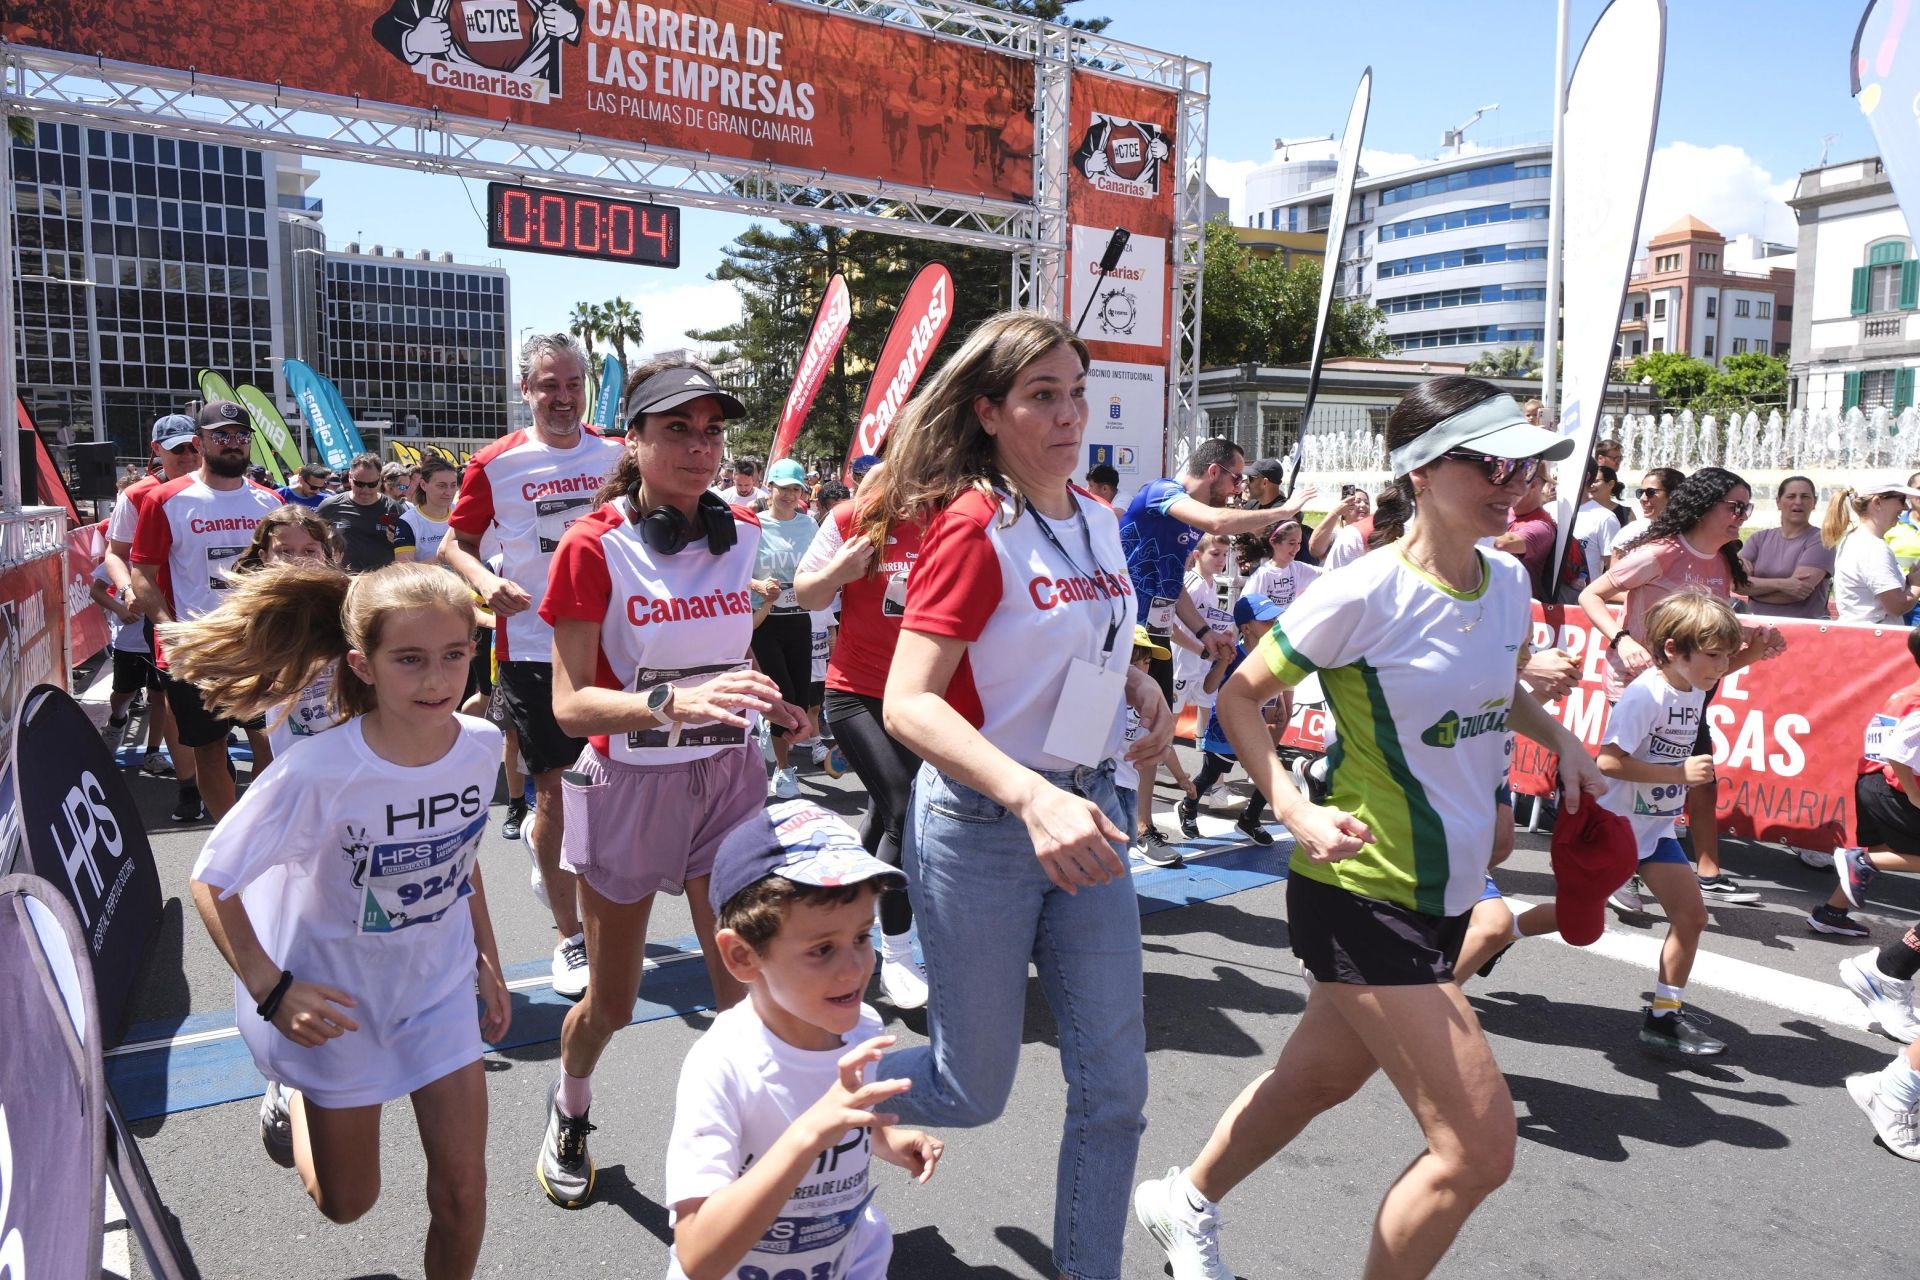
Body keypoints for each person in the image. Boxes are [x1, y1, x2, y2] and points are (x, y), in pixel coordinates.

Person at [1135, 378, 1604, 1280]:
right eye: (1491, 461)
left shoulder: (1505, 580)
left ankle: (1182, 1200)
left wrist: (1564, 741)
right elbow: (1239, 695)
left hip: (1449, 891)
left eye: (1524, 464)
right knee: (1477, 1151)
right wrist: (1290, 804)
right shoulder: (1363, 592)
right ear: (1422, 471)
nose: (1515, 482)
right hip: (1359, 888)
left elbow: (1496, 689)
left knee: (1319, 1079)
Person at [876, 310, 1174, 1280]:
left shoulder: (1091, 511)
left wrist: (1138, 683)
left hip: (1089, 814)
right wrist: (1028, 797)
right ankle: (797, 1089)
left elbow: (1089, 633)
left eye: (1075, 390)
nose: (1067, 411)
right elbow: (907, 703)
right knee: (970, 1089)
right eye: (1042, 394)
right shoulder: (973, 527)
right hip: (984, 826)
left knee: (1115, 1090)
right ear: (989, 411)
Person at [174, 560, 507, 1280]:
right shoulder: (317, 772)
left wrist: (489, 958)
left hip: (437, 993)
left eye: (454, 655)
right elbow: (211, 880)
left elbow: (461, 854)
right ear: (363, 664)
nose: (437, 679)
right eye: (410, 660)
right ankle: (292, 1091)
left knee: (464, 1190)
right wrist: (272, 988)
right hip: (336, 1007)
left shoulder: (483, 747)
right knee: (347, 1203)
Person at [536, 356, 806, 1211]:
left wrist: (767, 697)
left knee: (743, 996)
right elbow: (572, 706)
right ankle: (569, 1105)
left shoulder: (747, 532)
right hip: (629, 788)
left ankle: (729, 1170)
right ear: (637, 439)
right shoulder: (594, 544)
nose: (701, 447)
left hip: (727, 778)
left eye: (714, 430)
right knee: (610, 1006)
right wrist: (675, 702)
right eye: (678, 429)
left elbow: (731, 649)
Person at [665, 800, 944, 1279]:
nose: (856, 967)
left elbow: (847, 1118)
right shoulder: (722, 1065)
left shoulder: (862, 1029)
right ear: (743, 957)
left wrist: (886, 1141)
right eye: (822, 949)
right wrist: (809, 1135)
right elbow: (697, 1254)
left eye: (861, 936)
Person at [440, 332, 624, 999]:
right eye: (549, 385)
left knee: (609, 790)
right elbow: (453, 545)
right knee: (556, 792)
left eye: (573, 383)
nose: (563, 397)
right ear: (526, 391)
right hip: (533, 648)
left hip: (615, 644)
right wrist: (482, 584)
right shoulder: (496, 462)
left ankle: (577, 886)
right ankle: (568, 936)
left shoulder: (619, 453)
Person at [1579, 466, 1786, 905]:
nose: (1742, 517)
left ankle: (1704, 872)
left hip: (1689, 687)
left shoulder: (1724, 563)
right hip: (1637, 685)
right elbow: (1590, 595)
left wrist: (1756, 647)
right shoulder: (1662, 551)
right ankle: (1620, 867)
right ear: (1704, 506)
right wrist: (1621, 639)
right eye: (1734, 507)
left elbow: (1706, 646)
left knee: (1699, 776)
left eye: (1746, 508)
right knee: (1634, 779)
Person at [1592, 593, 1755, 1056]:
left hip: (1655, 830)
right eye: (1714, 655)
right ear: (1671, 650)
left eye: (1727, 654)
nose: (1723, 666)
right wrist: (1676, 775)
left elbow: (1721, 665)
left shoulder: (1694, 684)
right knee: (1571, 922)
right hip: (1614, 829)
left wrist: (1755, 652)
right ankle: (1496, 929)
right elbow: (1607, 761)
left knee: (1691, 916)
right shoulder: (1645, 694)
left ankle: (1664, 1017)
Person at [795, 461, 932, 1010]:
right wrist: (840, 573)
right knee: (904, 808)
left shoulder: (949, 520)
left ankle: (841, 902)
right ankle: (897, 955)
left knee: (883, 809)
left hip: (921, 696)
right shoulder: (853, 518)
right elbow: (806, 594)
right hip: (854, 694)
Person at [1121, 438, 1305, 842]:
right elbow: (1220, 523)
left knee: (1157, 726)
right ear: (1213, 472)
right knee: (1112, 729)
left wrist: (1206, 634)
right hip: (1120, 629)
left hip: (1153, 635)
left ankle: (1143, 825)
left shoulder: (1189, 523)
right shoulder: (1161, 492)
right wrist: (1285, 511)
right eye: (1237, 478)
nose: (1239, 488)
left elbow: (1172, 586)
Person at [128, 401, 286, 821]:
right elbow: (141, 571)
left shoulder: (269, 502)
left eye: (240, 436)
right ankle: (227, 833)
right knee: (210, 749)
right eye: (221, 436)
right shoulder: (165, 499)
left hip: (259, 647)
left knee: (269, 740)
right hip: (196, 650)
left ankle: (255, 825)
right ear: (201, 443)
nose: (232, 444)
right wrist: (168, 628)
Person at [102, 412, 202, 815]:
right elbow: (115, 555)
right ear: (156, 450)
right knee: (170, 700)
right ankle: (190, 788)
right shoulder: (139, 495)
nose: (187, 454)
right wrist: (128, 589)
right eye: (176, 448)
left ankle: (217, 770)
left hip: (225, 617)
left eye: (193, 446)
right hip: (166, 618)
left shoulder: (230, 488)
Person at [1809, 625, 1920, 945]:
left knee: (1882, 852)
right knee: (1871, 858)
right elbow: (1897, 753)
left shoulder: (1905, 693)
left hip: (1871, 782)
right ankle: (1861, 862)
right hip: (1893, 788)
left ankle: (1830, 913)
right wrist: (1912, 792)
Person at [1175, 594, 1285, 847]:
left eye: (1275, 618)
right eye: (1266, 621)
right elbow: (1208, 686)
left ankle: (1250, 820)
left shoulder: (1273, 652)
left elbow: (1268, 688)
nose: (1274, 624)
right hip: (1225, 726)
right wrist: (1223, 660)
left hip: (1254, 727)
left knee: (1270, 774)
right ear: (1246, 628)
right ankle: (1188, 807)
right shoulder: (1234, 654)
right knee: (1210, 774)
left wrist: (1279, 703)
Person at [750, 457, 821, 800]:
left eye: (796, 489)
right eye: (784, 488)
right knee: (785, 699)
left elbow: (821, 564)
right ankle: (783, 769)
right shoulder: (753, 525)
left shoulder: (808, 526)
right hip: (763, 622)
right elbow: (734, 573)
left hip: (799, 619)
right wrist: (758, 586)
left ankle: (769, 727)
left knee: (802, 697)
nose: (790, 495)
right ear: (771, 488)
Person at [1822, 481, 1920, 626]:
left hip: (1861, 635)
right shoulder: (1873, 548)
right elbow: (1896, 607)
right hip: (1874, 640)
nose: (1905, 507)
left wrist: (1910, 582)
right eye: (1901, 499)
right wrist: (1917, 585)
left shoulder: (1855, 538)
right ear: (1877, 502)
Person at [1741, 475, 1834, 619]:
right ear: (1778, 502)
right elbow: (1736, 584)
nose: (1798, 502)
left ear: (1814, 502)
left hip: (1804, 631)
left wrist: (1752, 589)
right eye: (1791, 496)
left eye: (1805, 497)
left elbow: (1797, 593)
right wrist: (1783, 585)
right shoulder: (1758, 539)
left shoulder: (1822, 541)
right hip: (1757, 628)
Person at [319, 453, 417, 573]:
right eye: (359, 484)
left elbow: (408, 550)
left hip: (381, 583)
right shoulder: (329, 507)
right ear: (350, 477)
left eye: (372, 484)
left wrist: (397, 541)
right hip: (344, 582)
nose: (365, 490)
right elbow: (315, 543)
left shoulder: (394, 509)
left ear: (380, 480)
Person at [1612, 466, 1683, 563]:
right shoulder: (1631, 532)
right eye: (1641, 492)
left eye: (1650, 492)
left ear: (1673, 495)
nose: (1642, 498)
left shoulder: (1692, 533)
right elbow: (1614, 574)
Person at [402, 454, 459, 563]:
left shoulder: (461, 513)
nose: (449, 492)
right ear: (423, 485)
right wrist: (443, 557)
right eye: (441, 486)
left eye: (453, 485)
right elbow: (404, 571)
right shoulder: (408, 522)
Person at [1571, 463, 1623, 583]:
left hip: (1582, 597)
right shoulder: (1548, 508)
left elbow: (1613, 567)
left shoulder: (1605, 518)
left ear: (1586, 476)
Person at [1308, 487, 1371, 570]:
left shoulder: (1374, 534)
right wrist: (1336, 512)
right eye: (1358, 501)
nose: (1363, 505)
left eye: (1367, 502)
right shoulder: (1335, 533)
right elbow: (1315, 550)